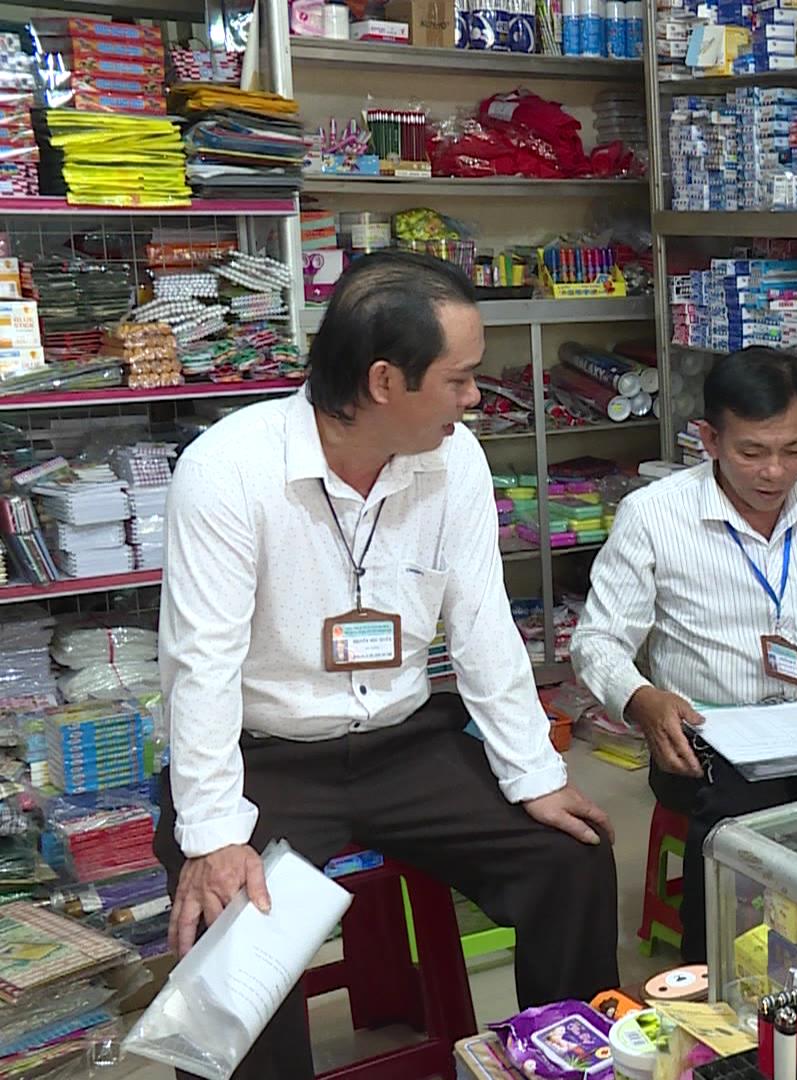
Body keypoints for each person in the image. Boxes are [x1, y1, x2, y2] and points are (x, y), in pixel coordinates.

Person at [156, 251, 619, 1079]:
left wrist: (535, 775)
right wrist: (216, 836)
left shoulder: (454, 459)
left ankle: (568, 1064)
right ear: (382, 382)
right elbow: (201, 665)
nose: (475, 398)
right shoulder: (230, 471)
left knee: (570, 855)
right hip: (268, 757)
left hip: (407, 744)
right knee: (235, 925)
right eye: (460, 379)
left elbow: (483, 626)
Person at [573, 347, 797, 964]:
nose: (774, 472)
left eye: (793, 450)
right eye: (752, 452)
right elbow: (598, 641)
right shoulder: (654, 515)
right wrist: (641, 699)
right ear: (710, 439)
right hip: (709, 727)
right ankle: (717, 987)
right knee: (738, 823)